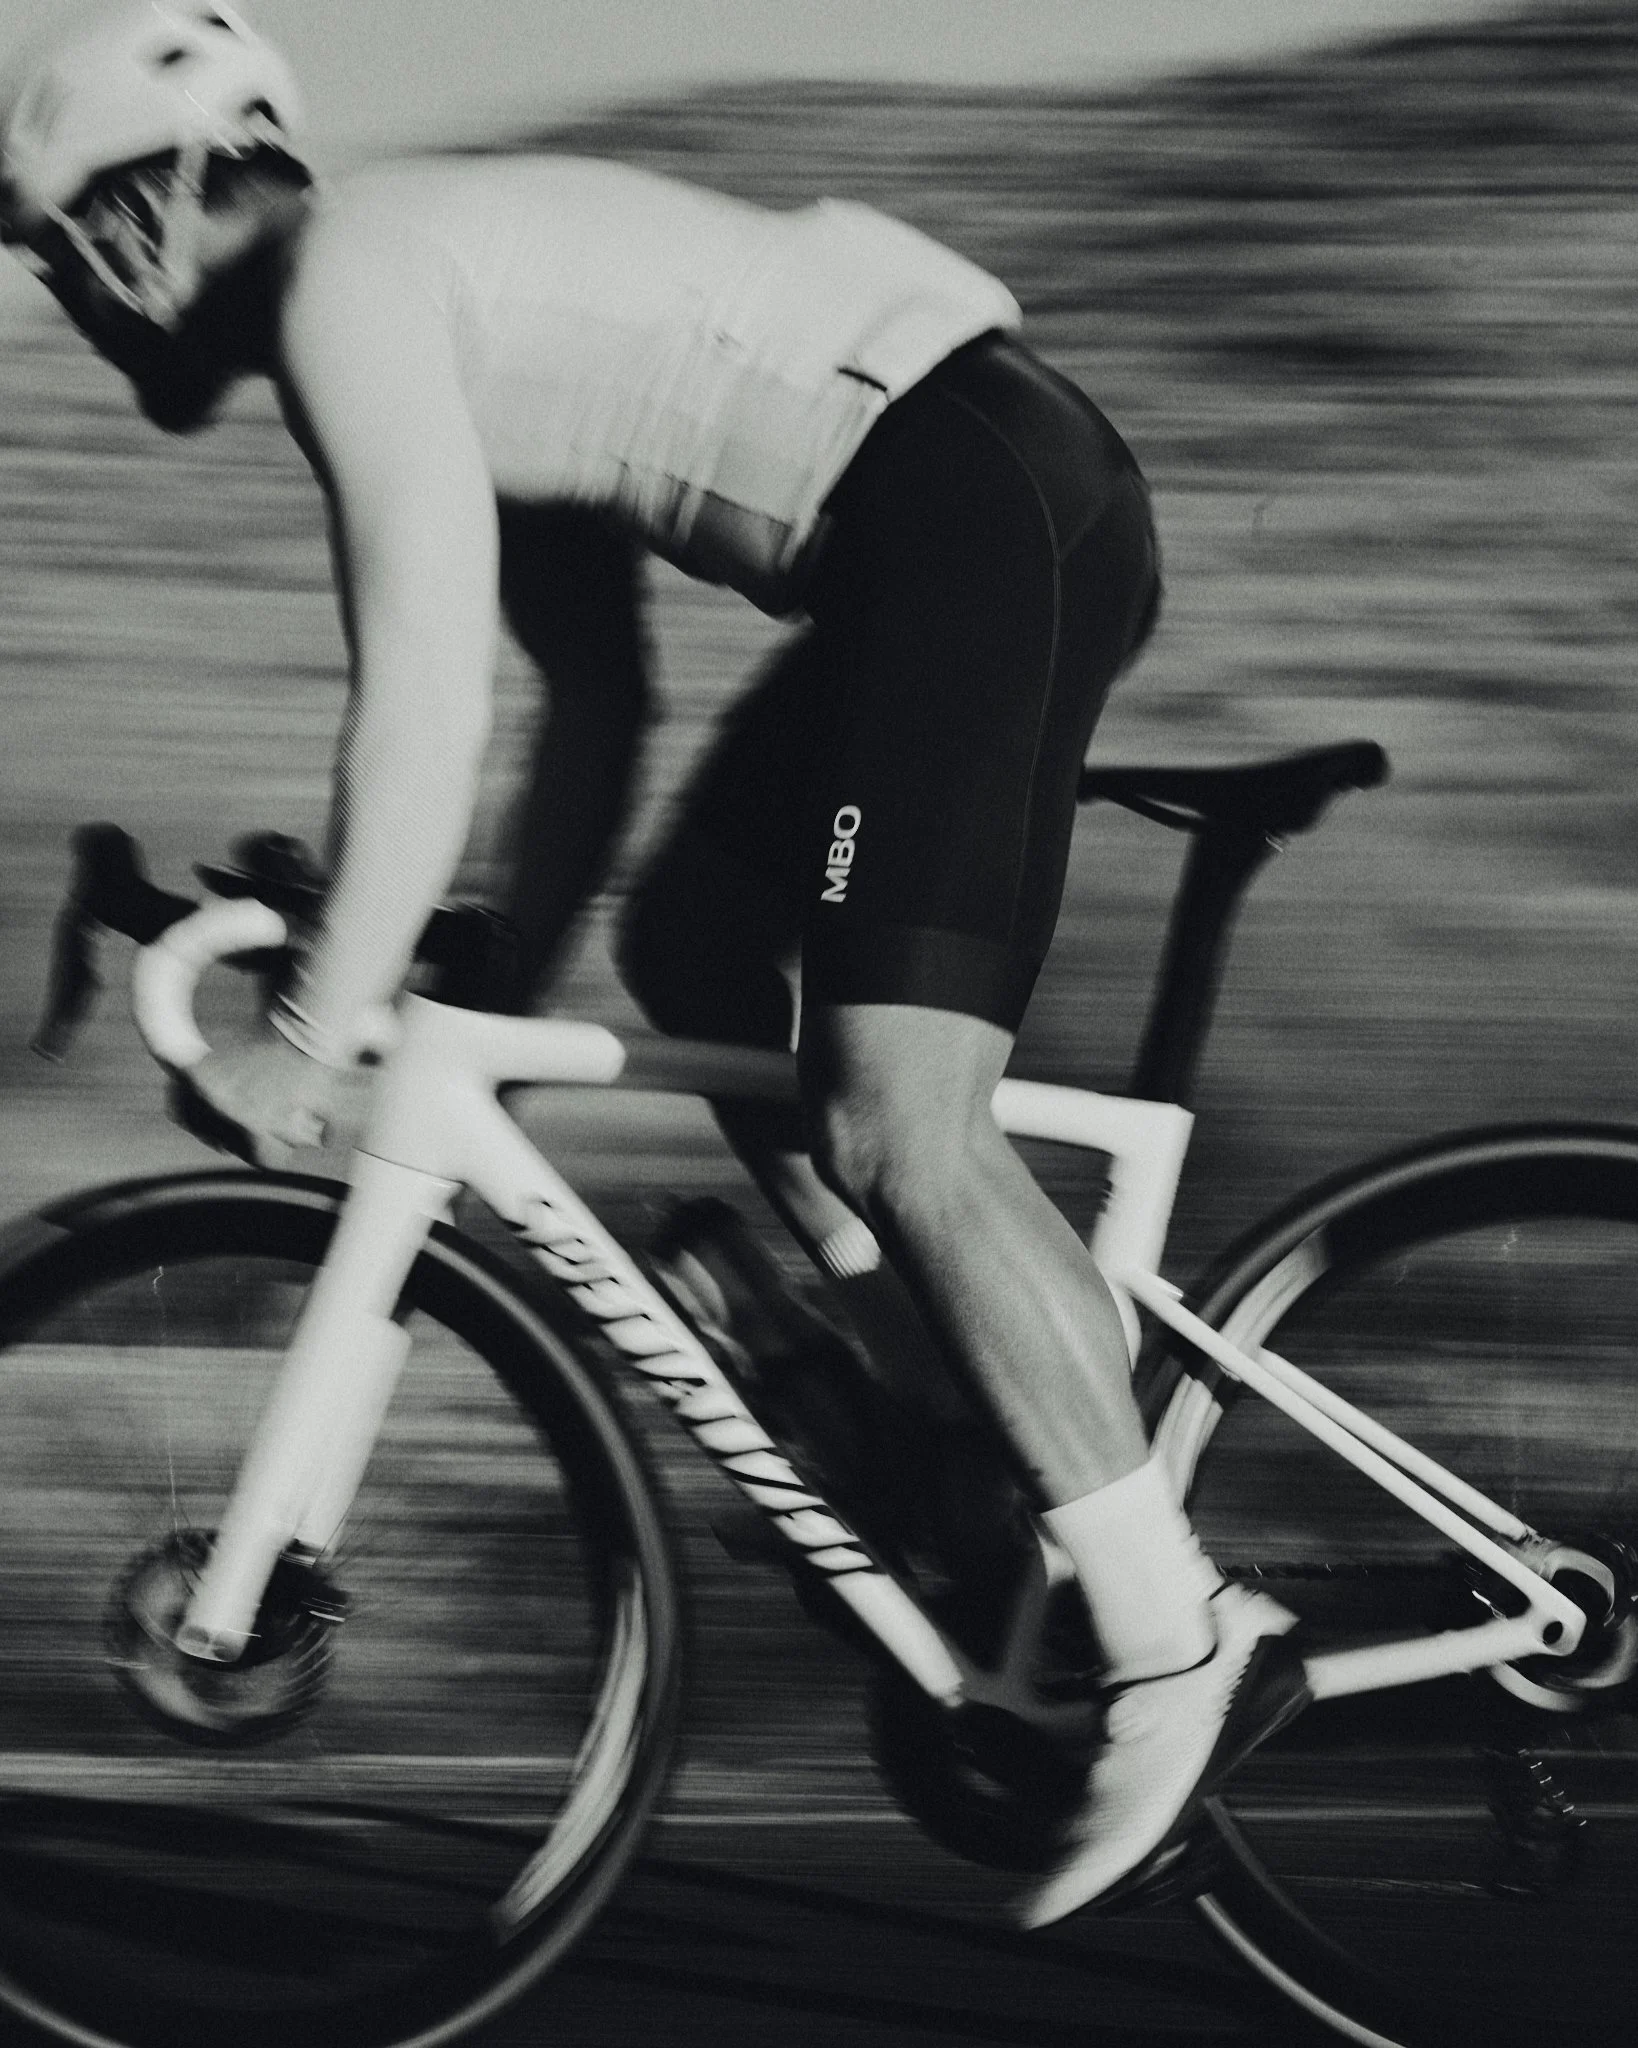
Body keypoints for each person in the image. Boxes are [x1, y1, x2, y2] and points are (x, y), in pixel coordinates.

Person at [0, 1, 1306, 1921]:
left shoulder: (348, 286)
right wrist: (478, 993)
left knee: (899, 1123)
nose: (68, 304)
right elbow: (591, 701)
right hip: (962, 501)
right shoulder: (415, 289)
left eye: (62, 253)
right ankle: (959, 1412)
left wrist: (318, 1025)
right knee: (690, 939)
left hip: (968, 512)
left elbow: (421, 707)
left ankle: (1179, 1642)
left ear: (161, 200)